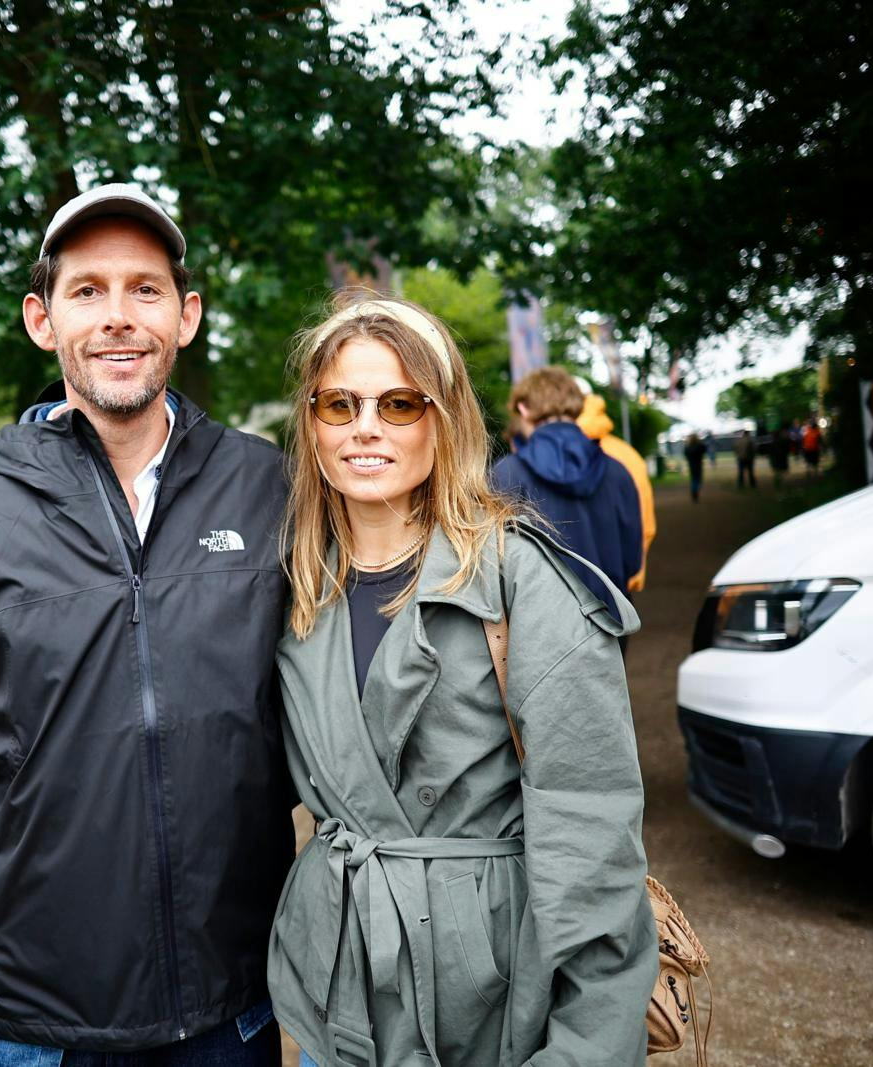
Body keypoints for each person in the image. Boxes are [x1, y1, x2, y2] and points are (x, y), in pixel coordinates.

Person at [0, 184, 293, 1065]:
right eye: (88, 290)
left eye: (145, 290)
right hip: (29, 1020)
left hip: (229, 1004)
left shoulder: (274, 491)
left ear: (186, 317)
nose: (118, 318)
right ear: (41, 319)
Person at [268, 299, 656, 1067]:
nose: (366, 426)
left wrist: (586, 1049)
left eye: (399, 402)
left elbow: (591, 828)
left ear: (442, 420)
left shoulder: (520, 580)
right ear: (312, 423)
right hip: (342, 996)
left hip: (495, 997)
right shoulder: (290, 589)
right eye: (340, 403)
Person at [489, 367, 642, 622]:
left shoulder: (507, 473)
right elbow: (633, 561)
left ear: (524, 409)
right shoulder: (618, 472)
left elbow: (492, 565)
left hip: (539, 633)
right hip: (611, 623)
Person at [577, 392, 655, 592]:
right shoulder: (626, 454)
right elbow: (644, 521)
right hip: (619, 578)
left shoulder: (554, 456)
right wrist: (632, 572)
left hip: (572, 582)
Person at [683, 432, 708, 502]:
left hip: (691, 465)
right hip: (698, 464)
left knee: (694, 480)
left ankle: (694, 493)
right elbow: (705, 449)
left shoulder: (688, 447)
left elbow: (685, 454)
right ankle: (695, 492)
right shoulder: (699, 445)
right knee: (698, 480)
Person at [767, 421, 790, 488]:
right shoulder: (782, 439)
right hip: (780, 457)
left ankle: (778, 481)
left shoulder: (772, 440)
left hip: (775, 457)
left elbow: (770, 449)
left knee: (777, 470)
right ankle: (779, 481)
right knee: (780, 470)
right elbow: (786, 448)